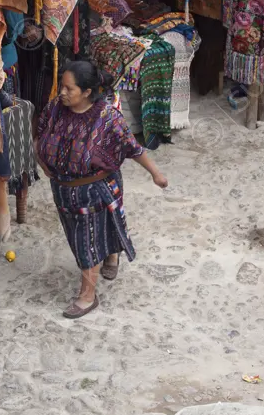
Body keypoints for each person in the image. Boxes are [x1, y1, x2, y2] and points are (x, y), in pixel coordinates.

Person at [36, 60, 168, 319]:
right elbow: (39, 134)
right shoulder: (54, 108)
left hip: (95, 189)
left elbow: (133, 148)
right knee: (79, 236)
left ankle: (87, 297)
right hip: (63, 191)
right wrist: (42, 162)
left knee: (88, 242)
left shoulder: (108, 117)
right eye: (61, 87)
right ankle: (111, 256)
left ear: (87, 92)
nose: (61, 93)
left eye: (68, 89)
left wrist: (156, 174)